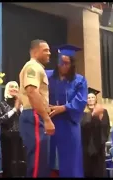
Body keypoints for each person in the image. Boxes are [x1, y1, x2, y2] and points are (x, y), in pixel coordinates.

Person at [46, 44, 87, 177]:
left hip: (69, 124)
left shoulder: (79, 80)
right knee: (49, 159)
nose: (63, 66)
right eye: (61, 63)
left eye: (66, 63)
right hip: (50, 122)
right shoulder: (48, 76)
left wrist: (63, 108)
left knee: (70, 161)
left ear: (72, 64)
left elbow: (81, 100)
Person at [19, 39, 55, 178]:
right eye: (45, 50)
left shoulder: (37, 68)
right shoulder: (32, 67)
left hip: (37, 114)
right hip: (34, 115)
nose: (49, 53)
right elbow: (32, 92)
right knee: (37, 161)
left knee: (41, 161)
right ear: (34, 51)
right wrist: (46, 119)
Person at [0, 81, 26, 177]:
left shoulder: (23, 104)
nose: (14, 88)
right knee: (9, 163)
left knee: (21, 162)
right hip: (7, 137)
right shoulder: (1, 103)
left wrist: (20, 106)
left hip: (21, 137)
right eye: (11, 86)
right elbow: (1, 120)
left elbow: (25, 118)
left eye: (16, 87)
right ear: (7, 89)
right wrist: (14, 109)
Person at [81, 87, 110, 177]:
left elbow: (106, 127)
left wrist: (101, 142)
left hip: (98, 146)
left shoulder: (103, 111)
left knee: (99, 170)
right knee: (87, 170)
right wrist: (93, 116)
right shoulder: (82, 113)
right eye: (88, 98)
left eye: (92, 97)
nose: (90, 99)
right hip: (86, 145)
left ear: (96, 99)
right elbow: (82, 127)